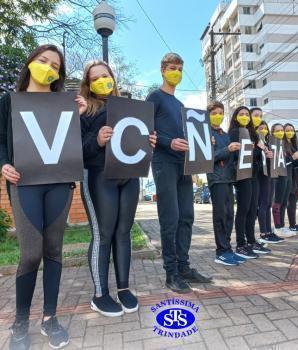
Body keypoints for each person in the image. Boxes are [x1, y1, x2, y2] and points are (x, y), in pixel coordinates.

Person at [0, 44, 86, 350]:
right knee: (30, 254)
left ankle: (50, 318)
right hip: (25, 184)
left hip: (60, 184)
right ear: (31, 62)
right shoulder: (9, 101)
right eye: (43, 60)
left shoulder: (65, 104)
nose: (48, 67)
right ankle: (19, 322)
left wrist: (81, 115)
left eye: (55, 65)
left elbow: (80, 145)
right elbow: (0, 140)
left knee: (53, 250)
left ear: (58, 74)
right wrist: (4, 164)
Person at [79, 60, 157, 316]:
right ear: (88, 84)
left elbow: (135, 141)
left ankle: (123, 288)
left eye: (106, 75)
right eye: (95, 78)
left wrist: (149, 141)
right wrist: (97, 140)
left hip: (129, 175)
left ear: (113, 77)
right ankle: (99, 294)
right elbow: (73, 148)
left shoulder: (127, 107)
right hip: (99, 175)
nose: (102, 80)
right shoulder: (83, 109)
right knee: (103, 234)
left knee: (123, 232)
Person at [146, 53, 212, 293]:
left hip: (185, 166)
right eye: (172, 68)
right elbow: (146, 130)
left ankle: (184, 268)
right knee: (170, 219)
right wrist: (168, 142)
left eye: (180, 69)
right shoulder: (155, 97)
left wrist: (204, 141)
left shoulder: (181, 106)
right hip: (164, 163)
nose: (177, 73)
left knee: (187, 217)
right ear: (163, 70)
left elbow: (189, 137)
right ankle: (171, 273)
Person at [206, 101, 245, 266]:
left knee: (229, 215)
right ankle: (221, 251)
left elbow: (230, 155)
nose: (218, 115)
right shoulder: (205, 133)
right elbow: (208, 157)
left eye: (221, 112)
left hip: (229, 178)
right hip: (217, 179)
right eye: (214, 113)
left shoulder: (224, 133)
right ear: (208, 115)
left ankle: (228, 248)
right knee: (220, 216)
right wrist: (227, 150)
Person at [228, 106, 271, 259]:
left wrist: (263, 151)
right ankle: (241, 244)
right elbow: (231, 155)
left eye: (247, 114)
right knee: (243, 209)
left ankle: (251, 241)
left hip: (254, 175)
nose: (245, 116)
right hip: (242, 176)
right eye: (242, 114)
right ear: (235, 116)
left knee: (253, 209)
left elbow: (258, 156)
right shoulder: (233, 133)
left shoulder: (254, 134)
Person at [255, 121, 284, 244]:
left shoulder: (267, 142)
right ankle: (263, 233)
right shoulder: (256, 142)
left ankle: (269, 231)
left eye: (265, 128)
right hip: (261, 176)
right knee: (263, 204)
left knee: (268, 204)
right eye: (260, 128)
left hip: (270, 175)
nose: (263, 130)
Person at [271, 123, 296, 238]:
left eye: (282, 130)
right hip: (277, 178)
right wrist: (292, 158)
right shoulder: (272, 145)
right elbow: (280, 163)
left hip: (286, 177)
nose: (280, 132)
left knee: (284, 202)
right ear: (272, 132)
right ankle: (277, 227)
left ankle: (282, 225)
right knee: (277, 202)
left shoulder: (284, 145)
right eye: (277, 131)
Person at [283, 123, 298, 233]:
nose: (290, 132)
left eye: (292, 130)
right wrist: (293, 157)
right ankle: (283, 226)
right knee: (288, 201)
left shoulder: (295, 143)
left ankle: (293, 224)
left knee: (293, 200)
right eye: (287, 130)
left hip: (296, 175)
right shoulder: (282, 144)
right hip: (288, 176)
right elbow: (283, 161)